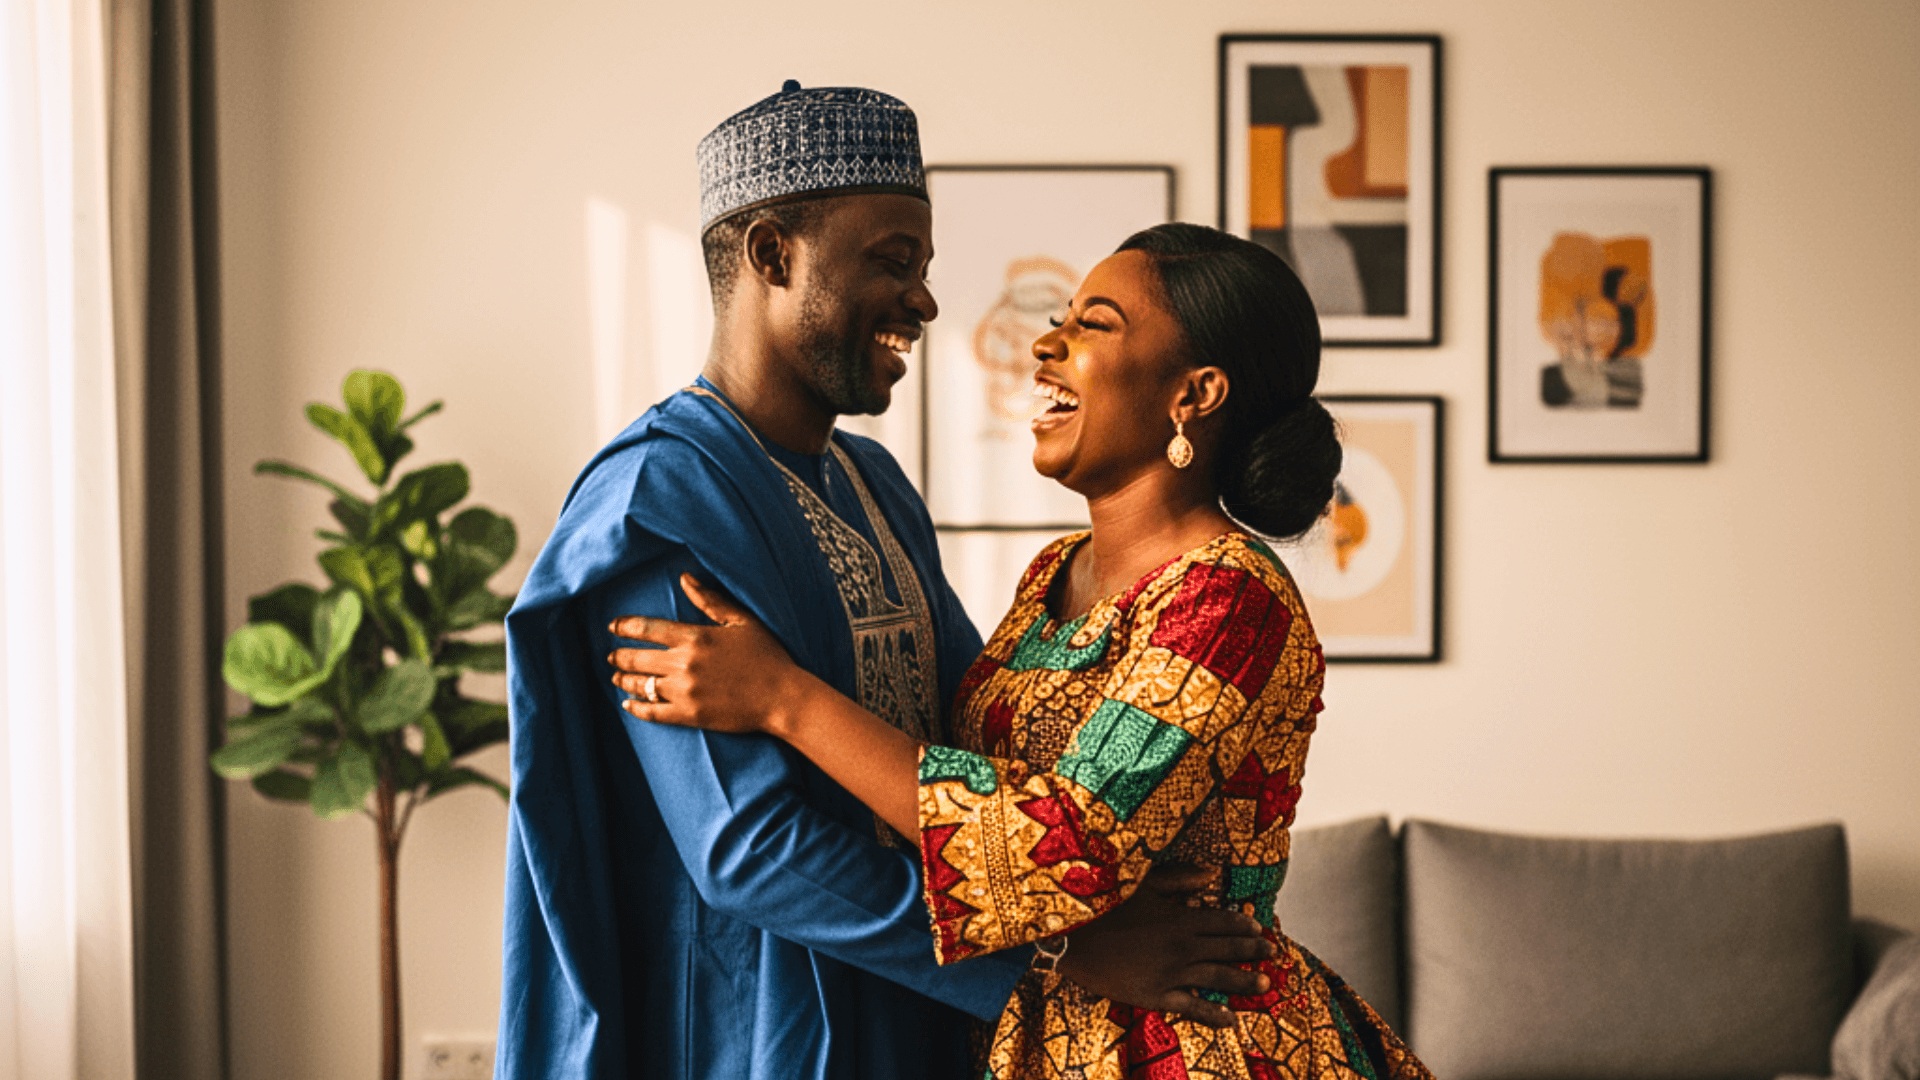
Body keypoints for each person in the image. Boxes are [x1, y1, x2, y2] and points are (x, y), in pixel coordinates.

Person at [496, 85, 1275, 1080]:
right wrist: (1060, 956)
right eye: (892, 262)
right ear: (771, 254)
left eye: (925, 266)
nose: (925, 300)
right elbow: (747, 847)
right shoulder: (659, 499)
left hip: (929, 1015)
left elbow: (963, 728)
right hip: (771, 1028)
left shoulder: (874, 483)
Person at [608, 223, 1437, 1079]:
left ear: (1194, 395)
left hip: (1196, 1044)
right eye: (1064, 318)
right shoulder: (1055, 575)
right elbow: (958, 766)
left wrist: (785, 701)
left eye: (1095, 324)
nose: (1048, 343)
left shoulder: (1228, 599)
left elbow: (1064, 850)